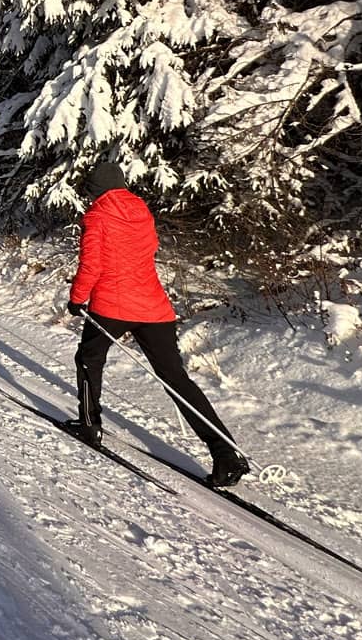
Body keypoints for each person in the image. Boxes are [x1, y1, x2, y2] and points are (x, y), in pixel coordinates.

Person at [66, 160, 250, 488]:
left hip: (111, 303)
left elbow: (91, 264)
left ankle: (90, 424)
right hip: (154, 307)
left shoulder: (97, 216)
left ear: (95, 190)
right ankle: (226, 453)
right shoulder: (142, 211)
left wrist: (77, 299)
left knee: (89, 359)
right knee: (175, 379)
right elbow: (148, 250)